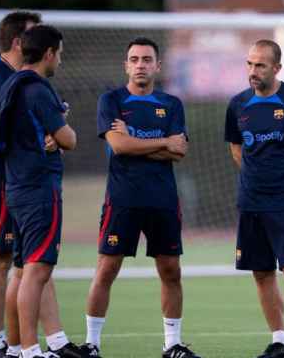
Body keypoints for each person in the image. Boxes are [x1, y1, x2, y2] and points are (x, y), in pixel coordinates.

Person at [0, 12, 84, 358]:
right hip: (11, 184)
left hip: (17, 184)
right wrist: (45, 136)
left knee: (28, 267)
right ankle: (8, 346)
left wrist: (40, 134)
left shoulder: (14, 81)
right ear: (22, 43)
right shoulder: (6, 80)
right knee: (10, 264)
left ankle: (42, 343)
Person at [81, 37, 199, 358]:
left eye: (147, 60)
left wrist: (135, 141)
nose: (140, 65)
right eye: (134, 59)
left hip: (163, 200)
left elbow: (180, 151)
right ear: (126, 65)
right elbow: (119, 147)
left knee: (171, 270)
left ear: (157, 66)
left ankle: (172, 345)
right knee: (107, 269)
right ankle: (91, 345)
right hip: (123, 199)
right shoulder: (111, 100)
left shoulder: (171, 104)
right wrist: (159, 143)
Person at [224, 39, 284, 358]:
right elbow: (236, 148)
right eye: (250, 64)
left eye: (260, 65)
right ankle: (279, 340)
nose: (253, 71)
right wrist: (256, 176)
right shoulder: (237, 104)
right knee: (261, 272)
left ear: (277, 68)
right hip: (250, 201)